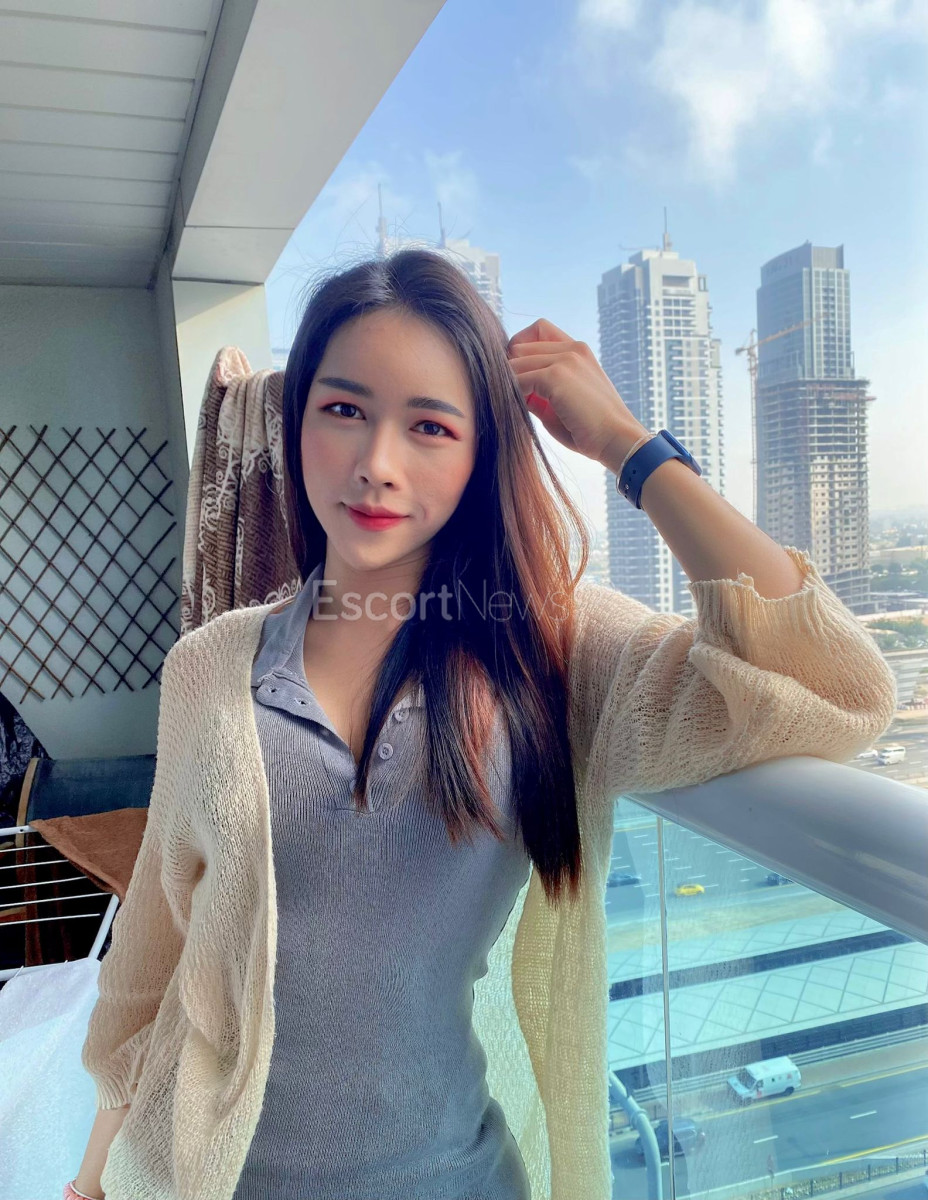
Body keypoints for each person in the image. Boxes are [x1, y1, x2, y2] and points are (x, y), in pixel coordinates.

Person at [70, 248, 897, 1200]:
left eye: (430, 426)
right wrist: (91, 1184)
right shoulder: (209, 667)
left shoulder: (549, 649)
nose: (376, 465)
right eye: (343, 409)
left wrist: (630, 446)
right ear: (297, 424)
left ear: (479, 455)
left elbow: (836, 685)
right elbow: (147, 973)